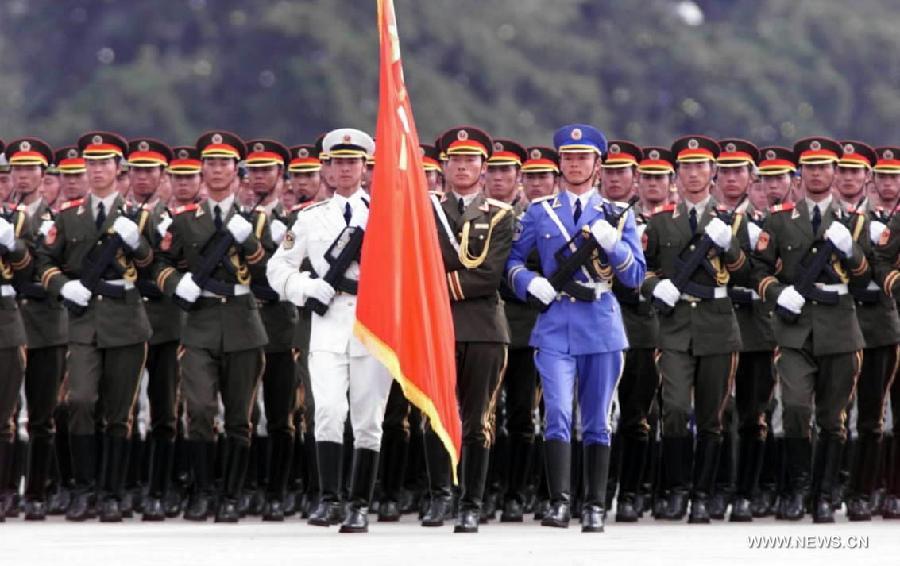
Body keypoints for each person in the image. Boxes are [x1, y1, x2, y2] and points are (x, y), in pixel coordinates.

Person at [507, 125, 645, 532]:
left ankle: (595, 506)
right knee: (557, 414)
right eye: (568, 157)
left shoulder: (618, 215)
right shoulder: (539, 210)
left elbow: (636, 276)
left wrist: (614, 244)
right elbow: (513, 261)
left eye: (582, 157)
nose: (574, 164)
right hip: (554, 324)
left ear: (597, 164)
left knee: (598, 419)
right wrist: (528, 282)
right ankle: (559, 502)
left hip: (600, 322)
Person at [267, 128, 393, 534]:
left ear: (365, 167)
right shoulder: (310, 218)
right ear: (326, 168)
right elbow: (277, 268)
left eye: (353, 162)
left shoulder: (385, 213)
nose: (345, 169)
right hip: (328, 324)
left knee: (368, 419)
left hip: (373, 327)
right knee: (327, 412)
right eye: (338, 162)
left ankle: (359, 504)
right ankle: (330, 499)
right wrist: (306, 287)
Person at [150, 131, 269, 522]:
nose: (217, 170)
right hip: (199, 324)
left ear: (237, 171)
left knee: (239, 416)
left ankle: (231, 495)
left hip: (242, 322)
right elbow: (160, 264)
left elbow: (269, 273)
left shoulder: (258, 220)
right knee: (199, 410)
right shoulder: (183, 221)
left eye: (225, 164)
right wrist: (174, 283)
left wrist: (250, 242)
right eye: (211, 164)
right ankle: (202, 491)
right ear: (202, 170)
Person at [36, 131, 154, 522]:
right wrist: (62, 284)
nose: (98, 170)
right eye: (92, 163)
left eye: (105, 163)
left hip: (126, 320)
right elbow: (44, 261)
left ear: (119, 169)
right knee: (81, 401)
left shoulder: (139, 215)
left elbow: (156, 263)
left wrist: (137, 243)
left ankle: (112, 493)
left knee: (119, 413)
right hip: (84, 323)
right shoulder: (69, 215)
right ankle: (83, 489)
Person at [751, 137, 869, 523]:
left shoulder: (857, 220)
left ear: (835, 173)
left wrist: (851, 250)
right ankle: (799, 488)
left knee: (833, 417)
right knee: (797, 408)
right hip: (795, 328)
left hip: (839, 327)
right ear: (800, 174)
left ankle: (824, 494)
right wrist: (778, 294)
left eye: (824, 167)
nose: (817, 173)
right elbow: (759, 270)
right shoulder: (781, 218)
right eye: (810, 167)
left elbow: (869, 274)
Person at [641, 135, 750, 523]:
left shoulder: (732, 221)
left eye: (700, 167)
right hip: (674, 327)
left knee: (712, 415)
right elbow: (644, 270)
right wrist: (657, 287)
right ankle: (677, 490)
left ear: (712, 173)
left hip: (717, 323)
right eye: (685, 167)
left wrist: (732, 248)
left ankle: (703, 494)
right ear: (677, 174)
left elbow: (748, 273)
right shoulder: (658, 222)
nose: (692, 174)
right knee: (672, 409)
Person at [421, 125, 514, 533]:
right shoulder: (424, 212)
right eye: (456, 160)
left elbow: (490, 275)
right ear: (443, 165)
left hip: (483, 329)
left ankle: (471, 502)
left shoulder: (500, 215)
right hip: (435, 328)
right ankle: (441, 495)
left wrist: (434, 283)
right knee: (434, 416)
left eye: (471, 160)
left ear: (483, 167)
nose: (463, 166)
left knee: (479, 420)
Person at [4, 138, 67, 521]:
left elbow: (47, 269)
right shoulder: (6, 216)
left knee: (43, 414)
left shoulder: (54, 220)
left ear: (44, 176)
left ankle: (39, 491)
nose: (23, 176)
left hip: (45, 323)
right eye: (17, 170)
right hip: (11, 322)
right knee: (6, 413)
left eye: (30, 170)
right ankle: (8, 488)